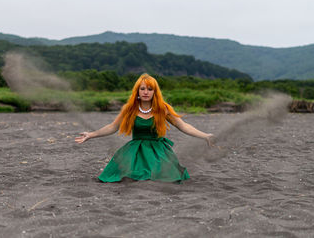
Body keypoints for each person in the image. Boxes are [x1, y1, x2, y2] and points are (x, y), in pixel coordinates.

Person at [75, 73, 214, 183]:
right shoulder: (129, 109)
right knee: (125, 175)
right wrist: (91, 135)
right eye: (142, 89)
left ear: (155, 92)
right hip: (135, 150)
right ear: (137, 91)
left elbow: (183, 126)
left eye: (149, 89)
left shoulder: (162, 109)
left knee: (163, 176)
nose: (146, 92)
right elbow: (112, 127)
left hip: (158, 151)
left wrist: (205, 136)